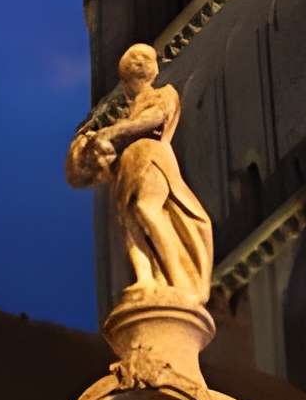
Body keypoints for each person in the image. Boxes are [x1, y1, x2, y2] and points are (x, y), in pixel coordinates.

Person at [67, 44, 214, 305]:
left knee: (148, 208)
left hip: (152, 155)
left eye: (141, 61)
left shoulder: (164, 94)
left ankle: (178, 280)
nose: (137, 65)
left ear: (153, 71)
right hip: (129, 164)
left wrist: (114, 131)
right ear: (125, 81)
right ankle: (146, 279)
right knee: (131, 224)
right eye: (132, 63)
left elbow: (154, 119)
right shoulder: (126, 110)